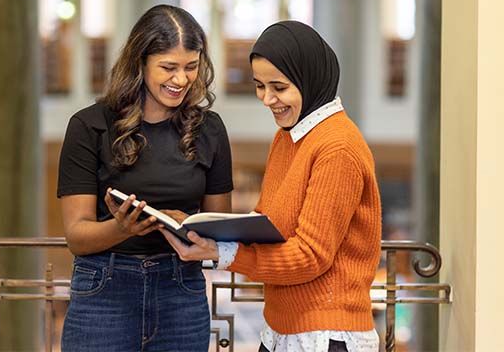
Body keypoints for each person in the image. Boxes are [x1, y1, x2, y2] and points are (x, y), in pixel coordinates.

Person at [162, 21, 382, 352]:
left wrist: (222, 252)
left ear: (309, 79)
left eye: (278, 87)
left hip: (328, 336)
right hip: (281, 328)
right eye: (260, 86)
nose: (267, 99)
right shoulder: (287, 137)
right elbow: (269, 225)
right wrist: (198, 228)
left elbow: (310, 256)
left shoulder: (338, 146)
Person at [57, 4, 233, 352]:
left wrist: (191, 226)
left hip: (180, 291)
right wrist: (120, 228)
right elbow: (77, 236)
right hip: (103, 290)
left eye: (191, 67)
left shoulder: (209, 129)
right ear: (140, 62)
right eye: (168, 67)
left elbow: (220, 229)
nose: (181, 79)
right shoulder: (89, 126)